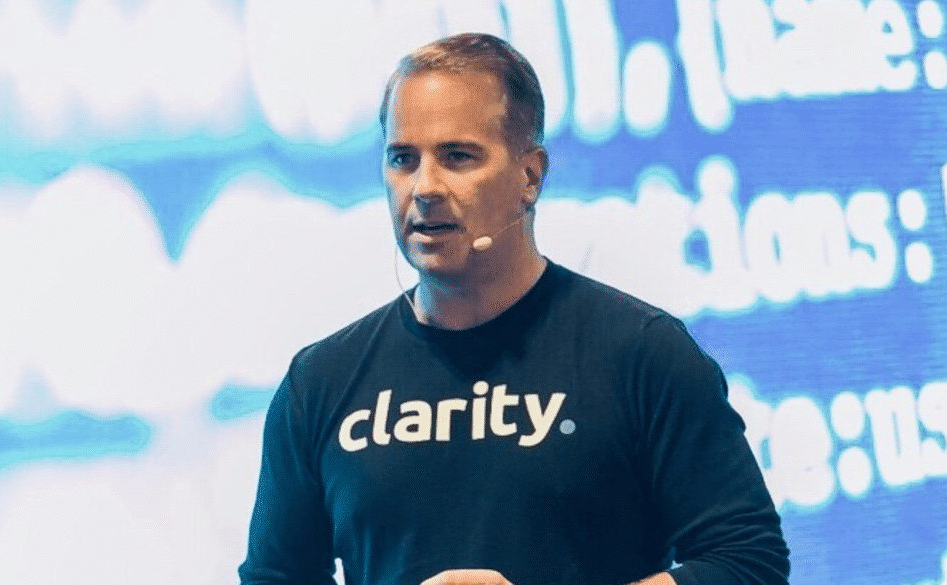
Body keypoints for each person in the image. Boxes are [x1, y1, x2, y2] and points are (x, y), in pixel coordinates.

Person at [239, 33, 790, 585]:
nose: (424, 187)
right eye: (403, 159)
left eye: (457, 157)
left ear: (530, 175)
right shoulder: (321, 382)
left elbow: (748, 564)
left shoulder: (642, 354)